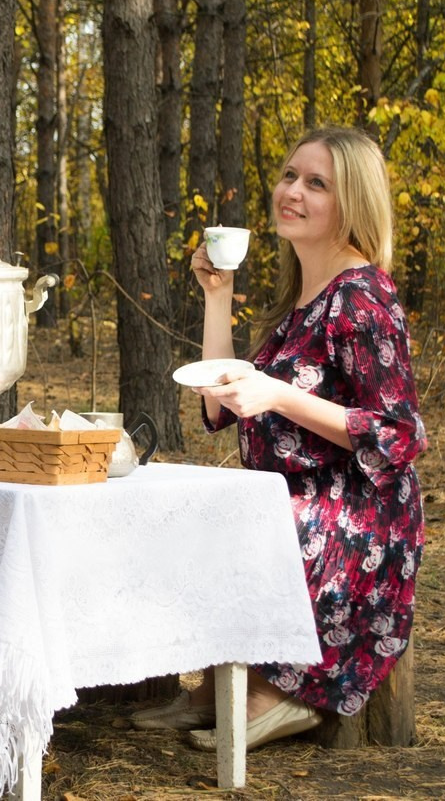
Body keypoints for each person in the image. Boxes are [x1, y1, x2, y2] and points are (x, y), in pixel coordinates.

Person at [132, 125, 427, 751]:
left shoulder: (363, 297)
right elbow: (220, 407)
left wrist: (279, 394)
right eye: (290, 175)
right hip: (290, 489)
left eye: (315, 183)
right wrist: (218, 298)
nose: (291, 191)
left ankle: (275, 696)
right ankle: (219, 685)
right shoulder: (305, 299)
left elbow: (399, 434)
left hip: (358, 509)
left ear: (352, 204)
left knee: (249, 524)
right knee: (190, 513)